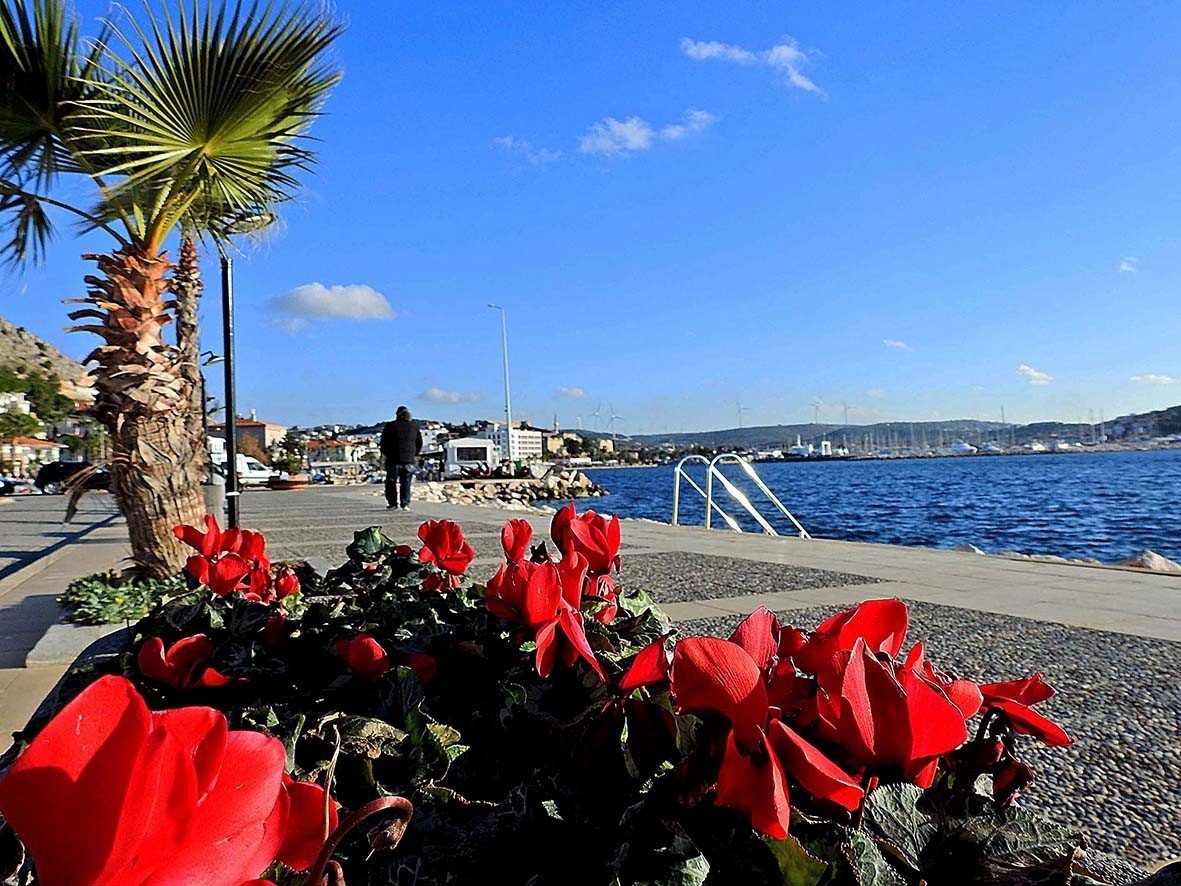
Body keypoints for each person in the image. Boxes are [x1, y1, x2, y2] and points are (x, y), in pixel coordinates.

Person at [379, 405, 422, 510]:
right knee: (406, 483)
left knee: (391, 482)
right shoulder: (414, 426)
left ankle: (393, 503)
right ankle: (405, 503)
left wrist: (387, 454)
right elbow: (419, 443)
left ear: (397, 415)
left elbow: (383, 443)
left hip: (393, 460)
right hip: (409, 459)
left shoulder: (390, 426)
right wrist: (414, 454)